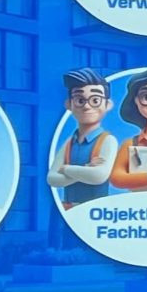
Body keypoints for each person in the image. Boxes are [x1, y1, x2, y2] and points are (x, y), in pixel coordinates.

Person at [46, 68, 116, 210]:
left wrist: (65, 169)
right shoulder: (69, 143)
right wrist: (84, 170)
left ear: (107, 105)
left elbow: (99, 176)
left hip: (95, 212)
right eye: (80, 100)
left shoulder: (107, 140)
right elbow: (52, 178)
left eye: (95, 100)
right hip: (68, 210)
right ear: (69, 105)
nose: (87, 106)